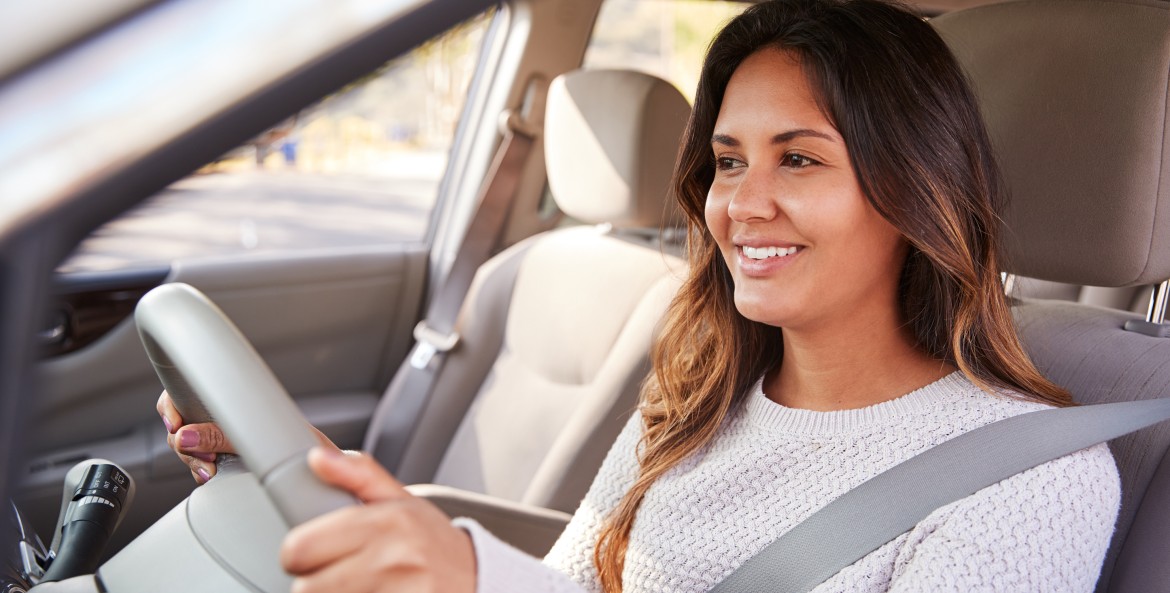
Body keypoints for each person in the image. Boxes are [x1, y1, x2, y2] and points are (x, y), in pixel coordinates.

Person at [157, 0, 1121, 591]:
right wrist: (331, 488)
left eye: (801, 158)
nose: (741, 203)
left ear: (914, 189)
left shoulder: (1031, 476)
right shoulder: (698, 399)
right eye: (729, 159)